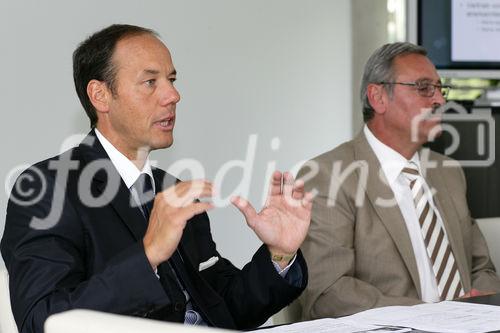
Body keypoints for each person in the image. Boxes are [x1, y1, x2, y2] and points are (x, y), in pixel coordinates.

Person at [1, 24, 312, 333]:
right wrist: (147, 255)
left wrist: (279, 254)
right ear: (100, 95)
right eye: (150, 82)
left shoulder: (174, 189)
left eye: (172, 80)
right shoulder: (48, 188)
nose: (173, 95)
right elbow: (42, 320)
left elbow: (226, 309)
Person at [297, 42, 500, 319]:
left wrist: (480, 303)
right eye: (424, 87)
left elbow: (482, 269)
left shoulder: (449, 171)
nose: (439, 100)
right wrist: (435, 315)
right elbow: (329, 292)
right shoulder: (328, 174)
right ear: (378, 97)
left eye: (441, 89)